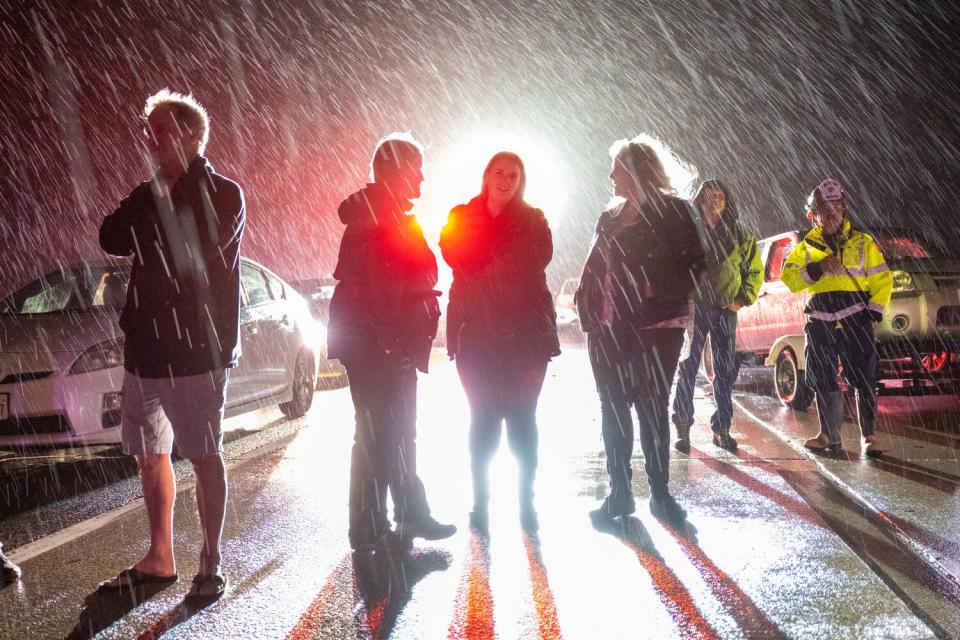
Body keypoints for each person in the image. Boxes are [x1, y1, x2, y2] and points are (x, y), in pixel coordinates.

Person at [97, 90, 244, 602]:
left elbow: (195, 249)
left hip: (196, 350)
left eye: (157, 131)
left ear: (187, 134)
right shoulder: (149, 191)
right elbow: (110, 236)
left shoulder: (224, 192)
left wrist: (157, 208)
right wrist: (152, 197)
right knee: (150, 454)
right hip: (146, 349)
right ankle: (160, 557)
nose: (148, 140)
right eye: (148, 131)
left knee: (204, 454)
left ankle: (211, 560)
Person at [328, 133, 456, 552]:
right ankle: (379, 521)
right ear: (395, 171)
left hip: (379, 340)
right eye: (415, 166)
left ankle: (390, 516)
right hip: (379, 342)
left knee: (388, 431)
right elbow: (379, 286)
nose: (421, 175)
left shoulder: (384, 212)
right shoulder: (379, 215)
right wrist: (389, 342)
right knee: (383, 431)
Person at [576, 137, 705, 525]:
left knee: (651, 408)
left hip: (655, 329)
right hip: (607, 328)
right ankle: (619, 493)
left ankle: (660, 494)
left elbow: (694, 265)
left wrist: (650, 291)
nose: (611, 174)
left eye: (618, 166)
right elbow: (596, 267)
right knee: (612, 409)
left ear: (637, 171)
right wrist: (587, 306)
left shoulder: (674, 213)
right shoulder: (610, 217)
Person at [439, 152, 560, 534]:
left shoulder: (534, 219)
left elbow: (532, 259)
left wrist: (484, 263)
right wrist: (493, 261)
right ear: (486, 176)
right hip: (475, 338)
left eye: (513, 174)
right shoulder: (462, 215)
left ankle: (527, 503)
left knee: (523, 419)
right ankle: (481, 502)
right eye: (499, 172)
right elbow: (452, 253)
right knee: (483, 420)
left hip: (524, 339)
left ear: (521, 180)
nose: (505, 180)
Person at [781, 179, 892, 452]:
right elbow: (790, 280)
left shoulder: (864, 243)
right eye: (824, 208)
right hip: (820, 320)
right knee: (822, 376)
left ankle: (869, 437)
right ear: (813, 215)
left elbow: (882, 280)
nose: (832, 212)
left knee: (864, 377)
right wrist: (817, 268)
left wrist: (874, 312)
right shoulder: (804, 248)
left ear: (844, 210)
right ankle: (829, 434)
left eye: (837, 207)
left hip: (856, 319)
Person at [672, 179, 763, 453]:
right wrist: (681, 298)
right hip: (693, 310)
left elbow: (755, 271)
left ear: (727, 200)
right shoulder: (688, 232)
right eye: (709, 196)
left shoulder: (740, 235)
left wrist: (742, 298)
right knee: (687, 368)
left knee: (724, 370)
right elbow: (674, 266)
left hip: (725, 309)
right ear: (700, 199)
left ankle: (722, 427)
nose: (714, 200)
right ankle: (683, 426)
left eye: (720, 196)